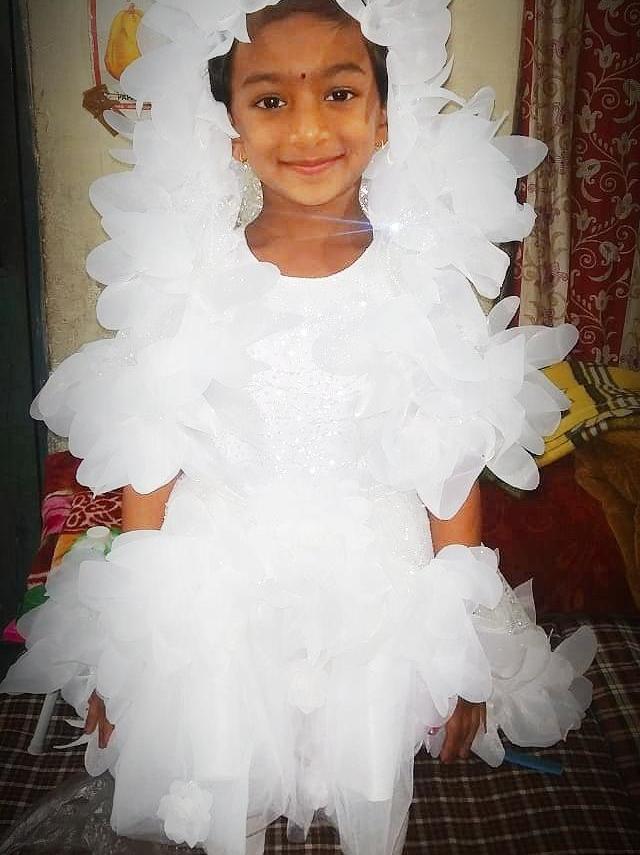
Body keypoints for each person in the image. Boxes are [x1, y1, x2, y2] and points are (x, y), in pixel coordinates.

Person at [1, 2, 598, 854]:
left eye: (340, 92)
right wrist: (130, 644)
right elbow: (154, 452)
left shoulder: (420, 284)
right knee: (221, 786)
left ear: (384, 116)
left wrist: (461, 643)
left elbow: (445, 463)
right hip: (221, 596)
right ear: (231, 129)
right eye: (271, 100)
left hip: (373, 602)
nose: (309, 127)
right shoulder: (191, 279)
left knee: (356, 781)